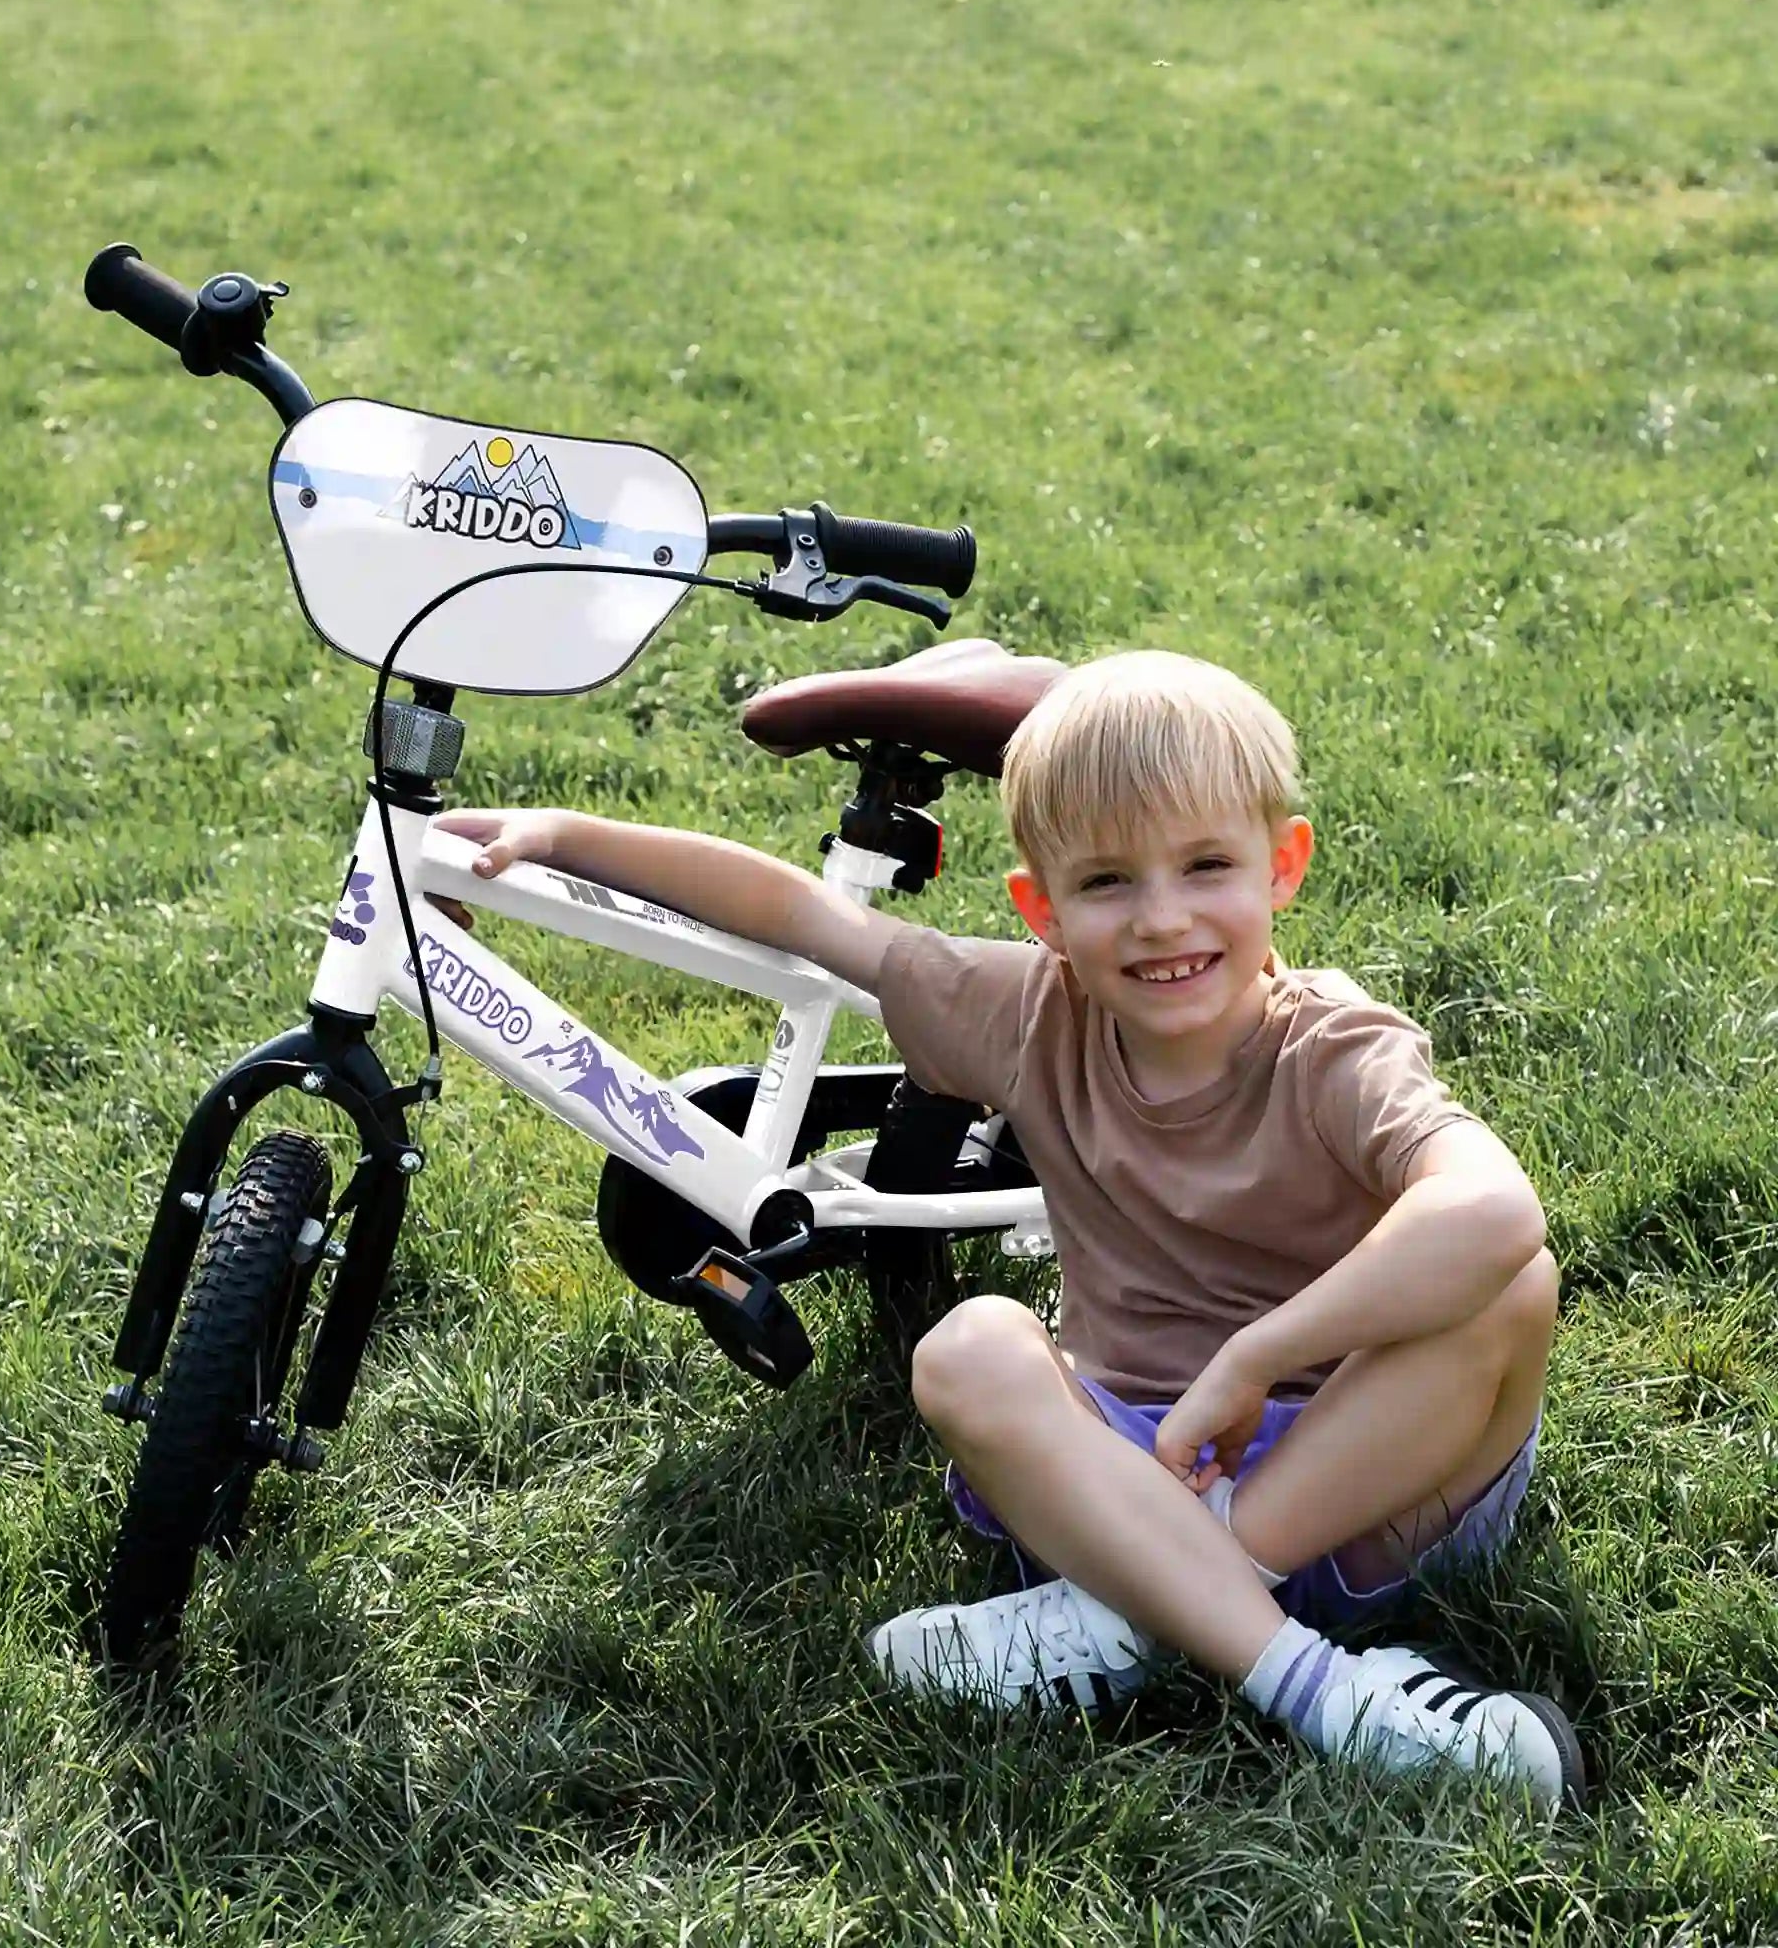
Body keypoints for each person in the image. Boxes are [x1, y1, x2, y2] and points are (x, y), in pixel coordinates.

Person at [430, 648, 1583, 1813]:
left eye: (1204, 865)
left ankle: (1145, 1605)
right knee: (969, 1344)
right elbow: (799, 911)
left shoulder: (1329, 1042)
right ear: (1041, 911)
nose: (1162, 918)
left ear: (1281, 865)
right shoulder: (1029, 1013)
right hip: (1115, 1468)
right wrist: (559, 828)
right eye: (1106, 883)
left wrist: (1254, 1357)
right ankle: (1323, 1692)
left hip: (1361, 1489)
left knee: (1506, 1284)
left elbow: (1489, 1209)